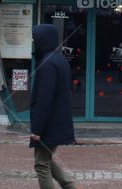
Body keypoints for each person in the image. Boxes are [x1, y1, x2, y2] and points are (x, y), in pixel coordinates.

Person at [29, 23, 76, 189]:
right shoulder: (58, 60)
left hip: (49, 124)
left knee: (41, 164)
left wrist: (37, 129)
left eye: (35, 39)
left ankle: (69, 185)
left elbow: (44, 98)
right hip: (56, 122)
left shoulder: (47, 63)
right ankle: (69, 186)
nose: (33, 43)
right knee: (46, 159)